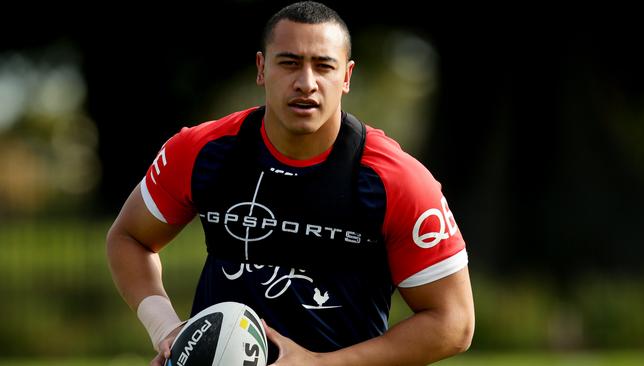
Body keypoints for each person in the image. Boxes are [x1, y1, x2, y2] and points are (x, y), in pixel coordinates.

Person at [106, 2, 474, 365]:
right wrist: (167, 330)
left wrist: (321, 363)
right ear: (262, 68)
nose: (306, 83)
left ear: (346, 77)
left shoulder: (397, 180)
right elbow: (129, 237)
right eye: (290, 63)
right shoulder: (201, 151)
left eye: (323, 66)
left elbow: (454, 323)